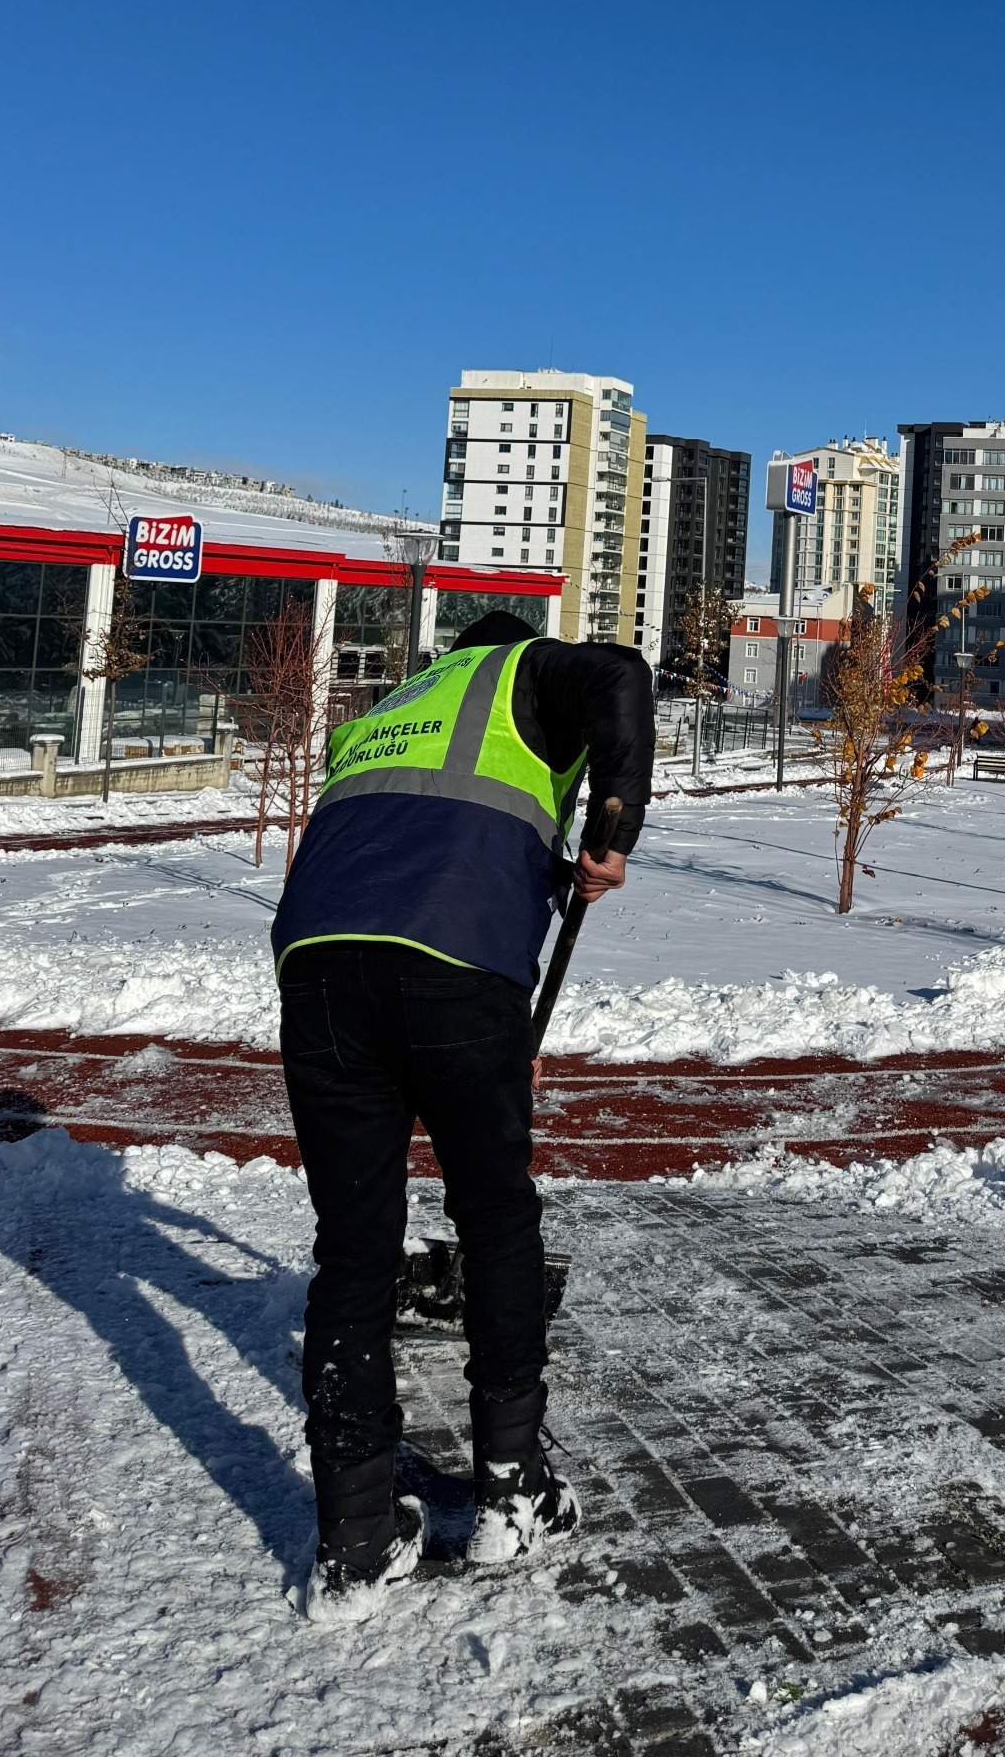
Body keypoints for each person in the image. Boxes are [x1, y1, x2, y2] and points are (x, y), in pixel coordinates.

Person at [270, 608, 655, 1613]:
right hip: (451, 966)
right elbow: (620, 676)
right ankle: (511, 1494)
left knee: (354, 1248)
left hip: (317, 971)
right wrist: (611, 828)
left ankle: (355, 1536)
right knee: (493, 1213)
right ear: (519, 645)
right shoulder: (524, 672)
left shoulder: (397, 705)